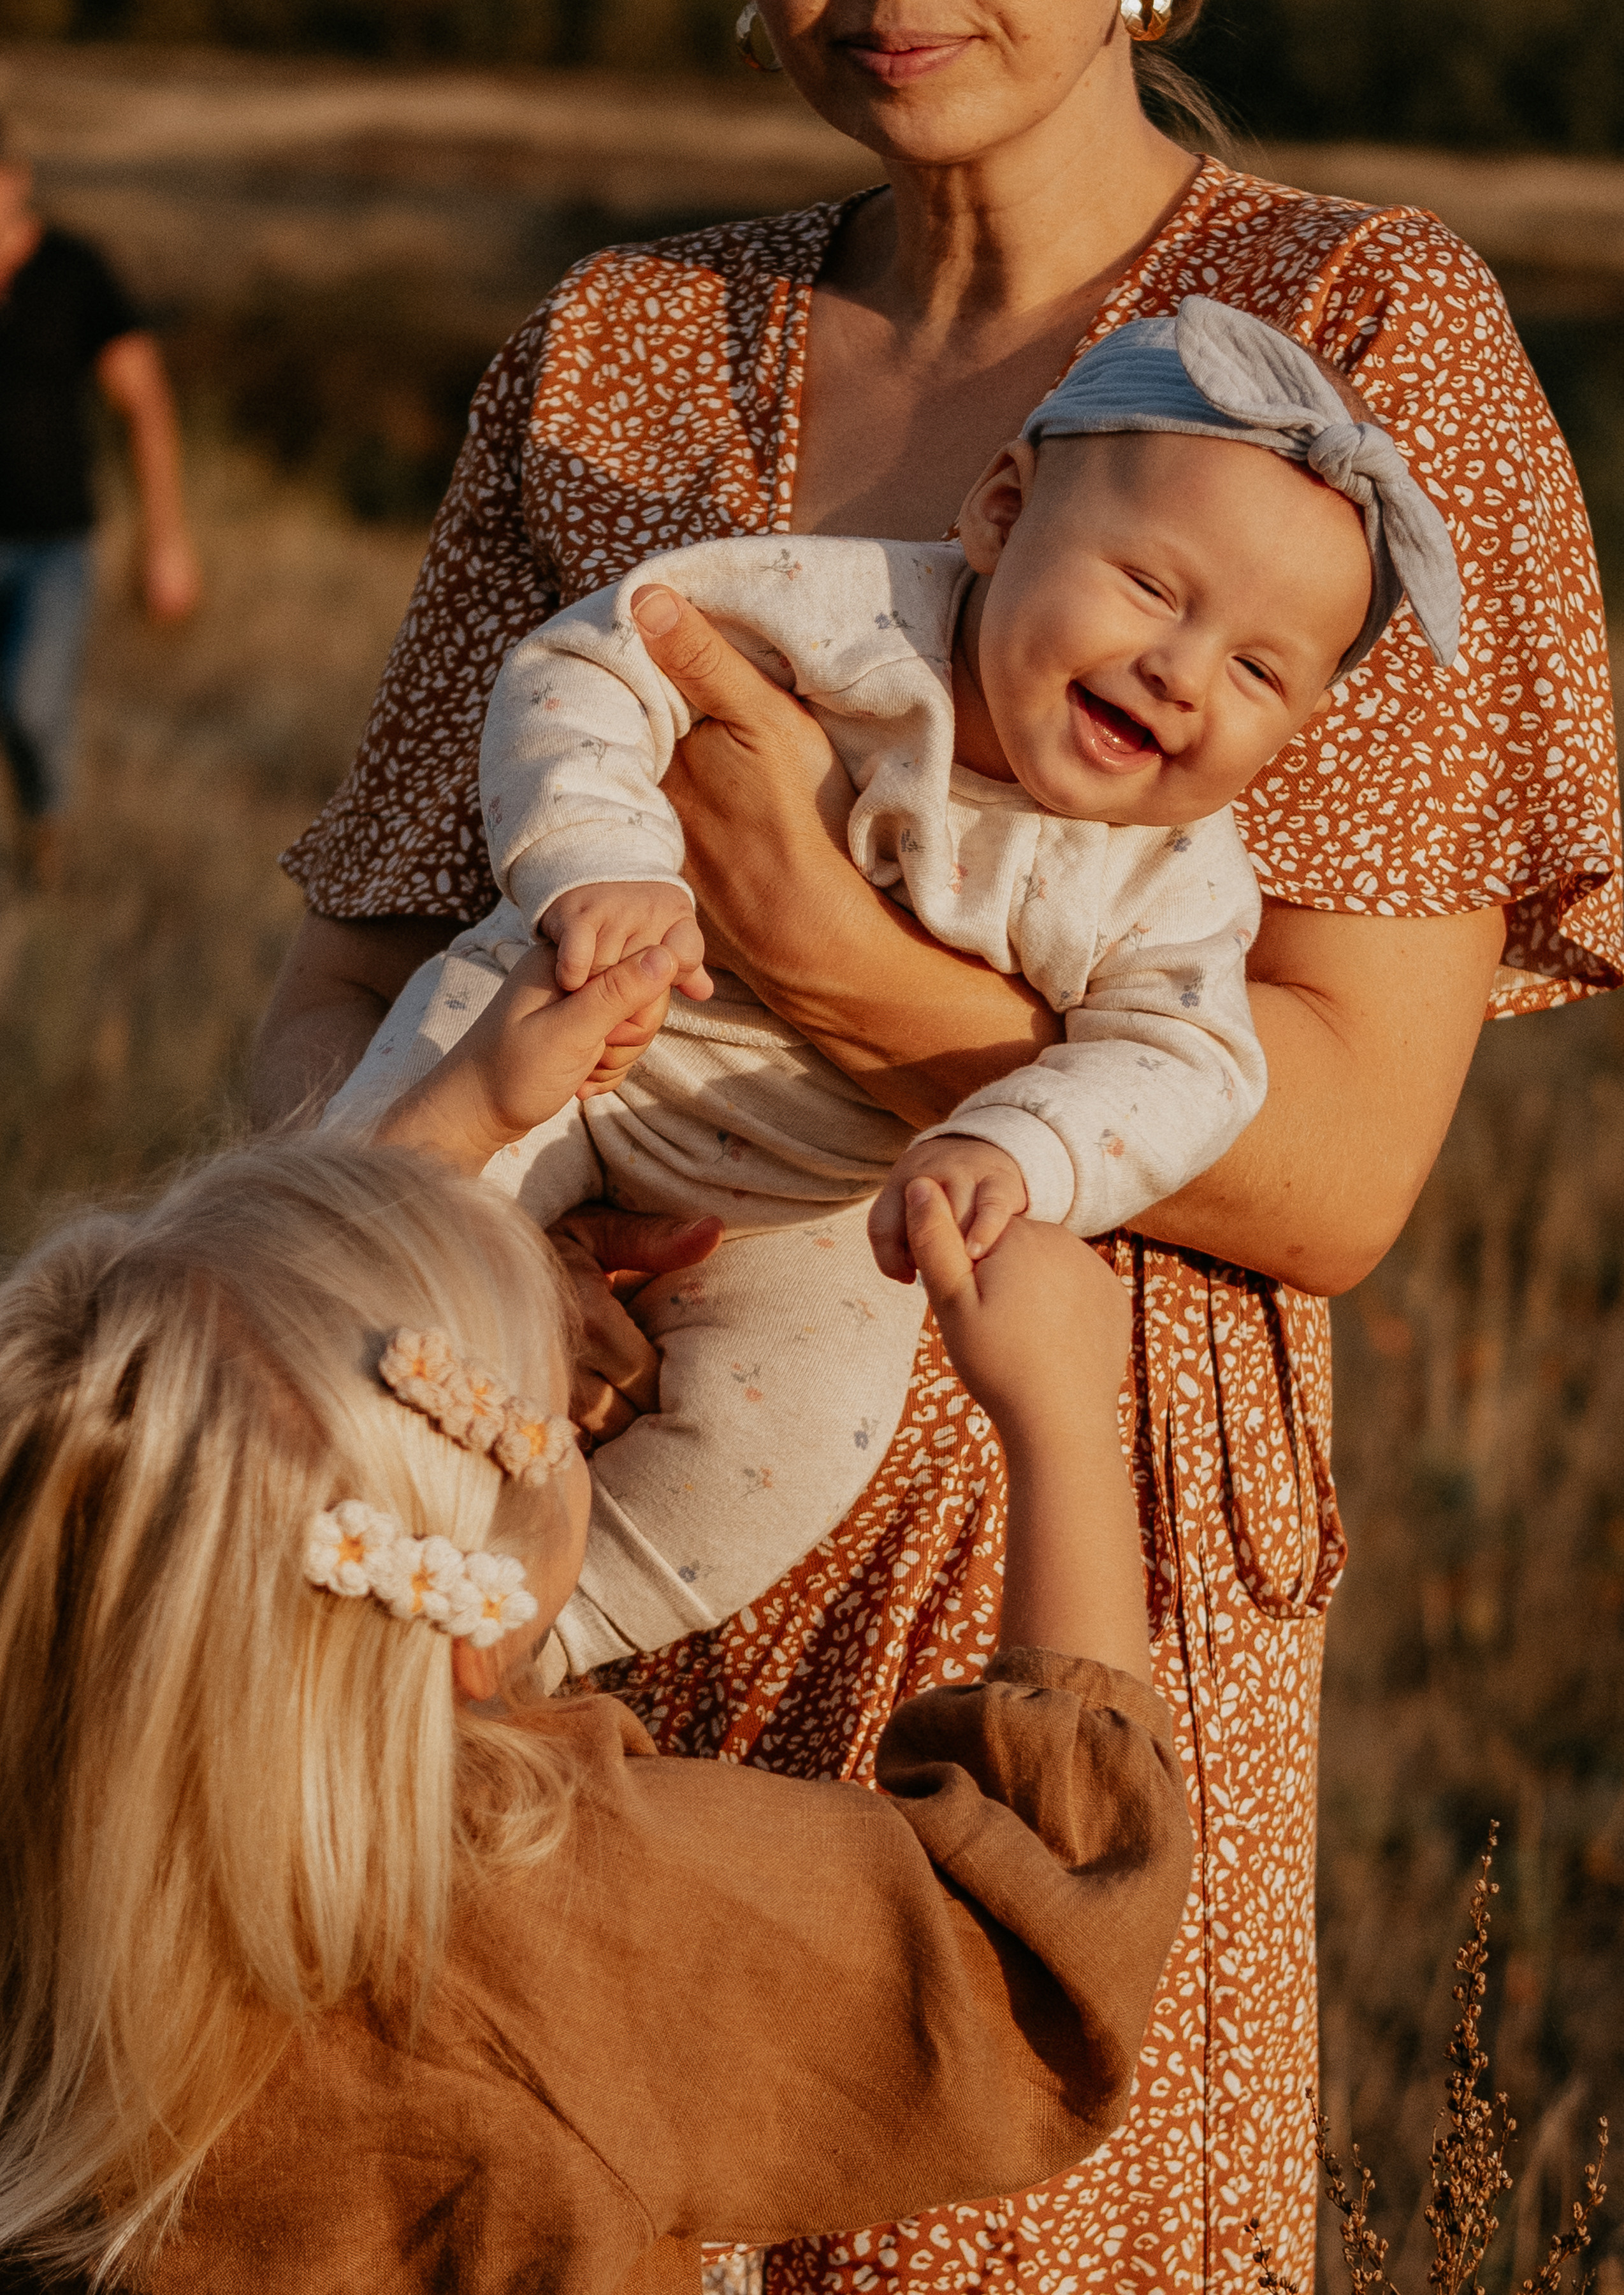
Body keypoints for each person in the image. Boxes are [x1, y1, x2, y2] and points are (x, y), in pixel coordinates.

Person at [250, 1, 1623, 2285]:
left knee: (988, 2171)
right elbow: (337, 985)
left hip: (1044, 1571)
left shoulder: (1364, 333)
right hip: (502, 1546)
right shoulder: (615, 348)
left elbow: (1345, 1163)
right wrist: (448, 1297)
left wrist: (812, 937)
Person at [0, 937, 1191, 2294]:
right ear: (467, 1629)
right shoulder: (559, 1918)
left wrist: (458, 1124)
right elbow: (1029, 1969)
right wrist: (1059, 1428)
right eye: (540, 1407)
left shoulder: (50, 1835)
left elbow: (212, 1436)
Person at [324, 296, 1458, 1691]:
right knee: (360, 1240)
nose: (1178, 671)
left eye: (1256, 671)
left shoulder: (1172, 875)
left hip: (814, 1195)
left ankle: (529, 1639)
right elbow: (592, 661)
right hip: (568, 1011)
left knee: (785, 1440)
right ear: (996, 513)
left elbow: (1191, 1061)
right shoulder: (844, 611)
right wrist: (602, 867)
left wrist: (1016, 1143)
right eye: (1151, 589)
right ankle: (265, 1525)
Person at [0, 118, 200, 887]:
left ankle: (44, 833)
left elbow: (143, 404)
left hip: (54, 544)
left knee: (28, 706)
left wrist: (166, 542)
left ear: (18, 176)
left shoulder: (75, 272)